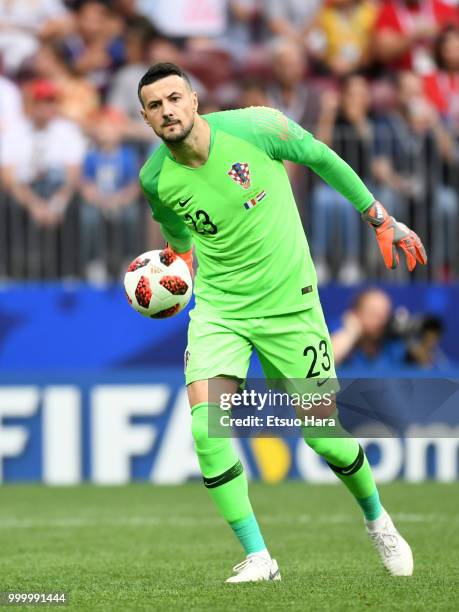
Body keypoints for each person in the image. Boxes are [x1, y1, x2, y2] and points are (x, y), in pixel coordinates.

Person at [137, 62, 426, 583]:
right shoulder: (155, 178)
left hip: (291, 306)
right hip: (221, 310)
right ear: (146, 118)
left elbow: (320, 157)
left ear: (195, 99)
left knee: (324, 435)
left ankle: (377, 518)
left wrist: (379, 218)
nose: (168, 110)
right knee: (208, 428)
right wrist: (168, 273)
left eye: (174, 98)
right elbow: (179, 240)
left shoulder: (257, 127)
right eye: (155, 106)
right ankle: (258, 556)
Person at [331, 288, 405, 368]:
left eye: (385, 314)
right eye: (374, 313)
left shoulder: (393, 345)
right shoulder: (340, 335)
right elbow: (326, 360)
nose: (382, 319)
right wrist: (351, 332)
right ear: (356, 313)